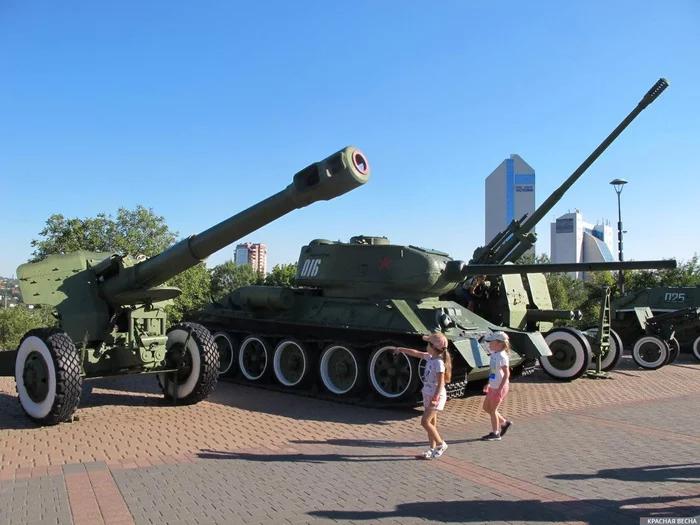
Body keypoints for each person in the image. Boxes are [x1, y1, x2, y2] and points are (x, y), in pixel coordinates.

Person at [389, 332, 453, 459]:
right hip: (428, 393)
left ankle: (441, 444)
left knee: (425, 422)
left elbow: (441, 383)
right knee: (431, 423)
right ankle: (431, 448)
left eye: (427, 344)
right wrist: (401, 349)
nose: (426, 346)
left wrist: (435, 398)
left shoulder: (439, 363)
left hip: (436, 396)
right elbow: (415, 353)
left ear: (433, 346)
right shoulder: (430, 357)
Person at [481, 331, 513, 441]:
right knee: (486, 407)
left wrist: (500, 389)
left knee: (493, 410)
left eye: (491, 342)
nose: (489, 344)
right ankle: (504, 423)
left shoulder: (502, 356)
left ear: (499, 344)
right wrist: (489, 383)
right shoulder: (494, 355)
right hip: (494, 386)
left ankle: (496, 433)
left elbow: (507, 374)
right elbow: (493, 371)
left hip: (500, 387)